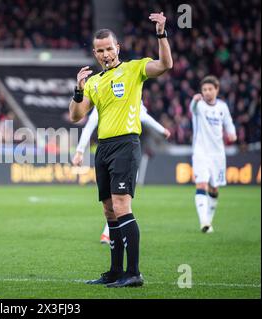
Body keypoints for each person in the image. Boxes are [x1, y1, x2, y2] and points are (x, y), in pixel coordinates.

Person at [68, 12, 173, 288]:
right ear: (95, 52)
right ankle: (115, 271)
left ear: (118, 48)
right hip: (103, 148)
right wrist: (78, 91)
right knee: (108, 209)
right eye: (100, 50)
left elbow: (165, 65)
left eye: (109, 48)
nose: (105, 54)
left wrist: (161, 33)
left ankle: (134, 272)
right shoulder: (94, 82)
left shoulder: (134, 69)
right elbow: (76, 116)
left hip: (126, 144)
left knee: (122, 205)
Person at [72, 102, 171, 244]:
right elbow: (90, 124)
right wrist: (80, 150)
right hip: (109, 154)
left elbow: (143, 116)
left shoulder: (130, 92)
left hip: (127, 153)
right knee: (113, 203)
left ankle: (110, 235)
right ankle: (114, 238)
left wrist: (161, 130)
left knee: (121, 202)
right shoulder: (102, 94)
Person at [190, 75, 236, 233]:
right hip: (200, 151)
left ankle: (209, 220)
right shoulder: (199, 105)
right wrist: (194, 100)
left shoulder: (222, 106)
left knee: (214, 188)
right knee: (201, 183)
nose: (207, 92)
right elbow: (192, 109)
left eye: (210, 89)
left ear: (217, 89)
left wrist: (232, 133)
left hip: (218, 154)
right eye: (204, 89)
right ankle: (204, 221)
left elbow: (229, 122)